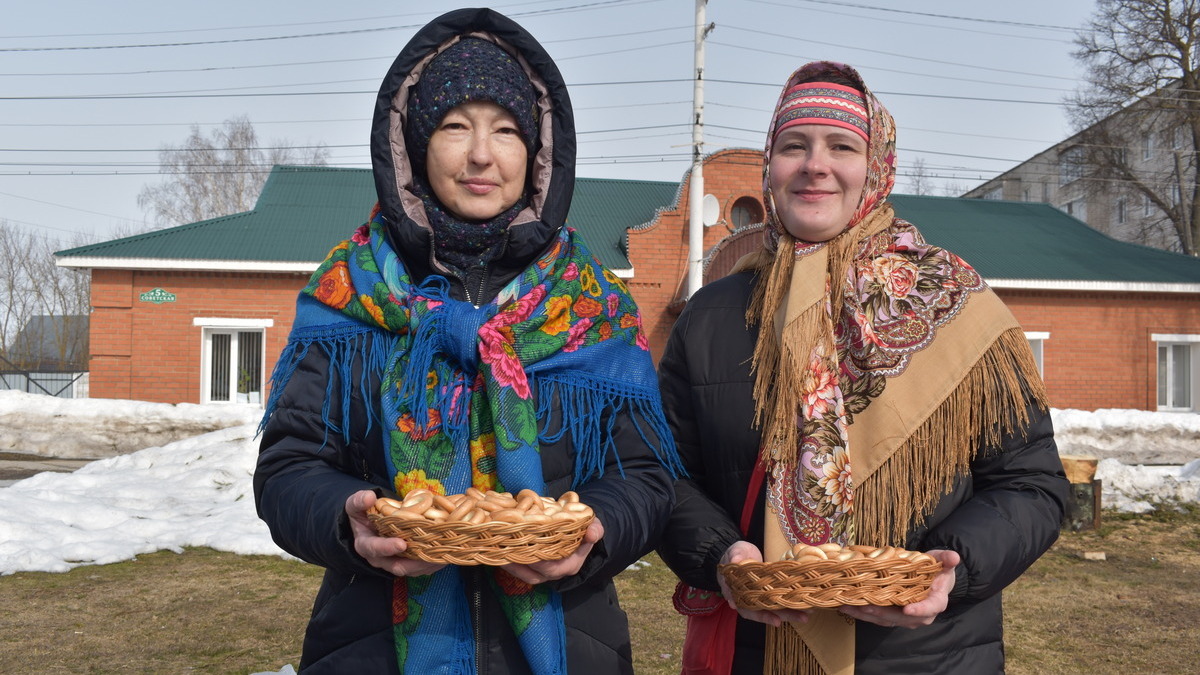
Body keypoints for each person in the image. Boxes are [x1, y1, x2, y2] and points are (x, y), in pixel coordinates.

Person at [254, 8, 681, 674]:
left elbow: (646, 476)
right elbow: (287, 468)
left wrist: (592, 532)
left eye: (507, 130)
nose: (482, 154)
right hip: (373, 646)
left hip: (569, 639)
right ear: (415, 142)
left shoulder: (592, 304)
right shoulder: (352, 291)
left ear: (538, 152)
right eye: (456, 126)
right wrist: (351, 521)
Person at [656, 61, 1069, 675]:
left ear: (876, 167)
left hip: (930, 656)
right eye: (794, 145)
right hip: (756, 649)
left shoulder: (957, 303)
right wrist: (724, 555)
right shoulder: (710, 314)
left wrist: (947, 573)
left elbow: (1033, 486)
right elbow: (664, 475)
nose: (814, 165)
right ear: (770, 166)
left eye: (841, 146)